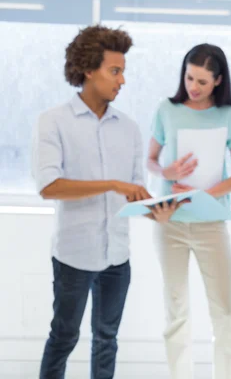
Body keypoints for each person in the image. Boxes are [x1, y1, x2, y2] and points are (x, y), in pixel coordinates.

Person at [33, 25, 181, 379]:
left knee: (107, 340)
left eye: (124, 71)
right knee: (64, 336)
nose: (122, 80)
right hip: (74, 255)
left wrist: (156, 211)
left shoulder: (128, 128)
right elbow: (50, 186)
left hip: (117, 256)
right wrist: (113, 184)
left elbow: (133, 193)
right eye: (115, 71)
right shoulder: (53, 122)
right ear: (88, 70)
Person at [147, 43, 231, 379]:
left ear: (218, 81)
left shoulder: (230, 116)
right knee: (176, 311)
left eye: (203, 81)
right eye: (190, 77)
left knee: (225, 311)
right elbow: (150, 160)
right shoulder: (167, 109)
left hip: (210, 224)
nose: (194, 86)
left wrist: (203, 193)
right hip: (169, 222)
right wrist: (166, 173)